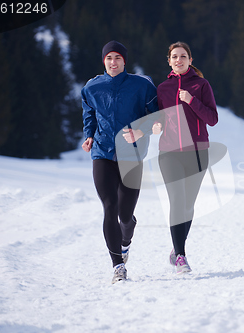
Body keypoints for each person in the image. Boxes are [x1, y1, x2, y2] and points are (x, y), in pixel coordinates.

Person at [81, 40, 158, 283]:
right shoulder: (92, 87)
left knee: (125, 216)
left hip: (131, 154)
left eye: (117, 58)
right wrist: (89, 136)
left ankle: (126, 241)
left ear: (125, 61)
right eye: (108, 58)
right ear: (103, 61)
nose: (113, 62)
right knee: (109, 206)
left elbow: (157, 118)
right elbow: (89, 114)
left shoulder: (141, 86)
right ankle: (117, 266)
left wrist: (141, 131)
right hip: (102, 153)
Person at [153, 41, 218, 274]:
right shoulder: (162, 89)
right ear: (168, 61)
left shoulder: (201, 85)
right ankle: (180, 255)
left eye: (183, 56)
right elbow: (157, 117)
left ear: (190, 60)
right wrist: (157, 125)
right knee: (177, 200)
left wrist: (191, 100)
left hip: (198, 153)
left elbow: (212, 118)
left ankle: (176, 247)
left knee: (188, 205)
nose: (178, 60)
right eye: (174, 56)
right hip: (169, 154)